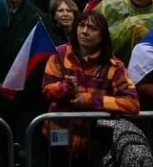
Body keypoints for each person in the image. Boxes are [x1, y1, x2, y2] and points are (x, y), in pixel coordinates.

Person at [41, 11, 140, 162]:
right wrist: (64, 88)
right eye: (81, 25)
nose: (85, 31)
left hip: (94, 143)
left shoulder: (115, 66)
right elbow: (47, 90)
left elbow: (132, 104)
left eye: (92, 28)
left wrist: (90, 100)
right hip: (58, 137)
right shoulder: (60, 53)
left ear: (102, 36)